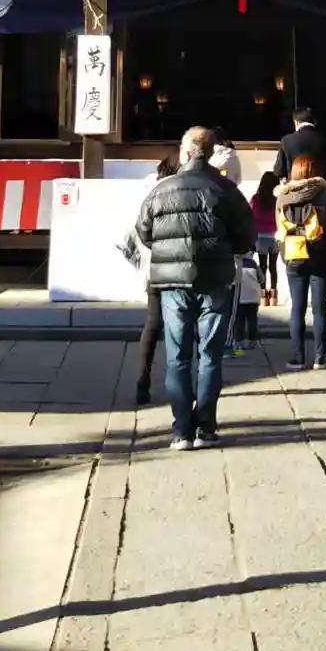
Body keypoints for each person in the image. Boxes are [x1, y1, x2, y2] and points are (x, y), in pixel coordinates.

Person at [134, 124, 255, 450]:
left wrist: (168, 251)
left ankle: (181, 431)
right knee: (210, 356)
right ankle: (206, 427)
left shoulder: (161, 189)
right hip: (215, 279)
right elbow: (247, 236)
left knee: (177, 357)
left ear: (186, 152)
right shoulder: (227, 189)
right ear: (211, 153)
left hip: (173, 282)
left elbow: (144, 231)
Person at [119, 150, 178, 407]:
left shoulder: (147, 189)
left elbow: (137, 230)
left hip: (153, 268)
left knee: (152, 325)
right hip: (178, 266)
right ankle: (180, 385)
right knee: (180, 326)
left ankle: (142, 382)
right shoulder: (179, 189)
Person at [276, 155, 326, 371]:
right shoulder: (323, 194)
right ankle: (320, 359)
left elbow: (279, 228)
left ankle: (297, 358)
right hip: (321, 254)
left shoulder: (282, 196)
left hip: (294, 254)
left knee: (297, 308)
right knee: (319, 309)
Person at [273, 107, 326, 183]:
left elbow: (278, 171)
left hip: (295, 187)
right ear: (314, 122)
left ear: (296, 122)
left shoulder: (286, 140)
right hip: (319, 187)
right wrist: (322, 175)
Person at [251, 170, 280, 304]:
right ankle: (273, 295)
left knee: (262, 265)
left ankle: (263, 295)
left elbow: (250, 215)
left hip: (260, 236)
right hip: (275, 235)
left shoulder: (256, 199)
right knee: (273, 266)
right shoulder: (278, 200)